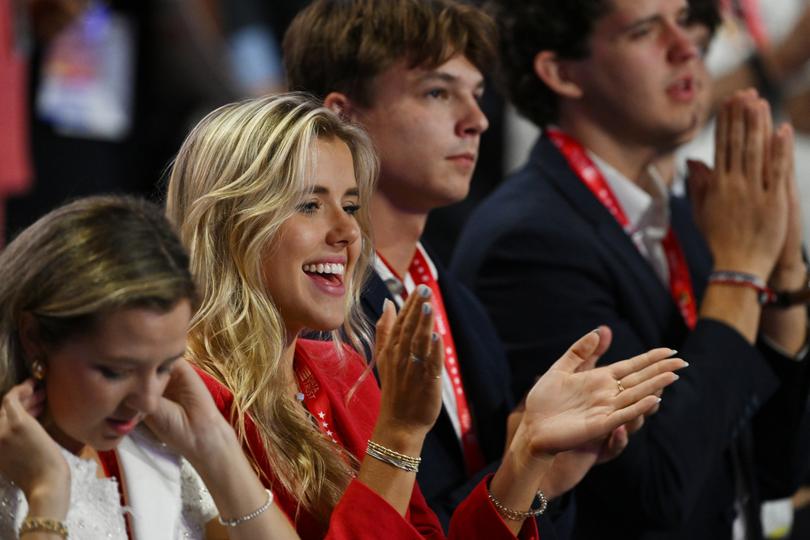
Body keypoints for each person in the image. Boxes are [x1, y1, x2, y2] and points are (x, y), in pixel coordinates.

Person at [165, 92, 687, 540]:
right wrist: (397, 437)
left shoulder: (341, 371)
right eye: (308, 205)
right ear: (229, 225)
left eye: (350, 206)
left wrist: (527, 453)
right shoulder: (189, 396)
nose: (347, 234)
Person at [282, 2, 658, 537]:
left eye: (477, 95)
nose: (476, 120)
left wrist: (547, 467)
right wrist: (522, 464)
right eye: (438, 92)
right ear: (344, 116)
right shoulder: (313, 307)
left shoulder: (461, 304)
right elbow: (360, 526)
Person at [452, 1, 810, 539]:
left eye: (685, 19)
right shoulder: (528, 243)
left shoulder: (685, 215)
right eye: (645, 29)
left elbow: (776, 470)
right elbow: (656, 493)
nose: (686, 45)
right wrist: (738, 274)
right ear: (561, 72)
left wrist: (783, 283)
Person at [0, 195, 300, 539]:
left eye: (164, 368)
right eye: (117, 371)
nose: (144, 401)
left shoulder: (157, 447)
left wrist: (217, 448)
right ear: (34, 337)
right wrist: (46, 496)